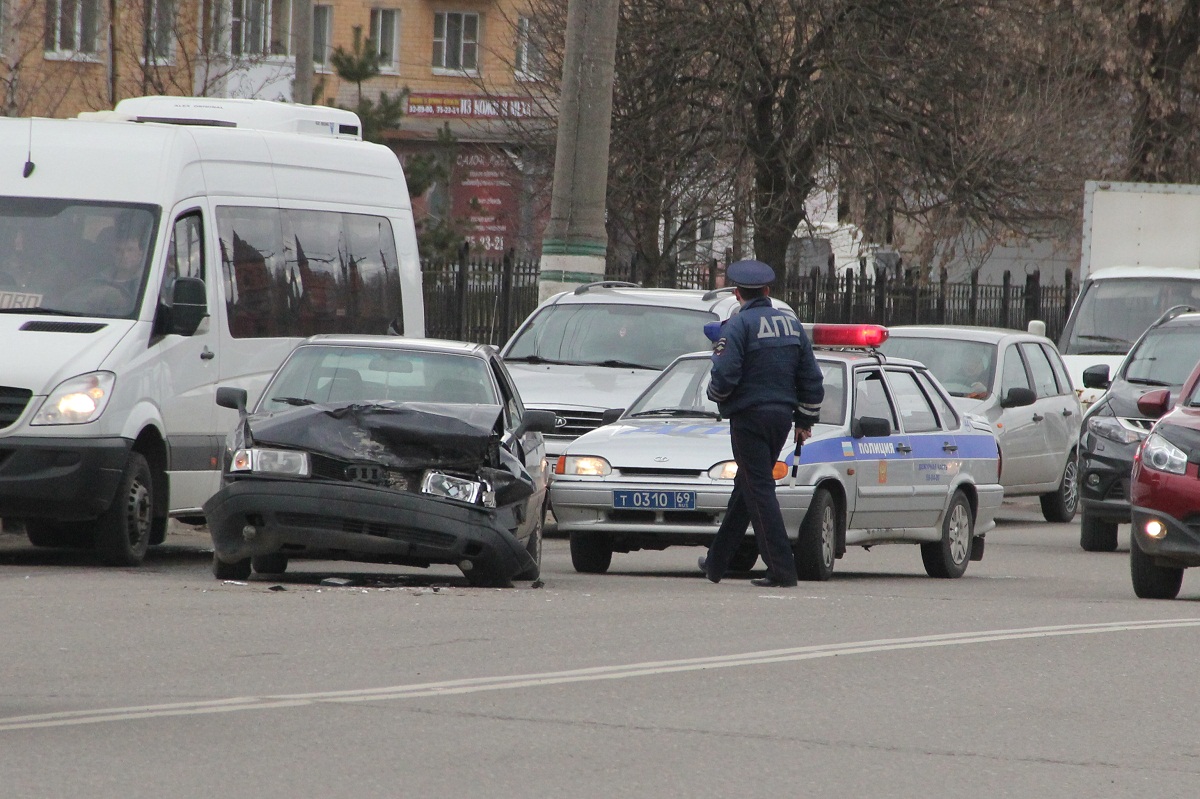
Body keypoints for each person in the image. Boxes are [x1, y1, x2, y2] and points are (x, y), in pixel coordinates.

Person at [700, 259, 825, 587]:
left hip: (749, 418)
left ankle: (782, 569)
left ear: (738, 293)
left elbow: (724, 374)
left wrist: (718, 396)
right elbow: (811, 376)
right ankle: (716, 562)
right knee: (747, 486)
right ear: (768, 291)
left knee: (758, 490)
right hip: (781, 419)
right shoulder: (791, 324)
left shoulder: (738, 325)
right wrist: (806, 419)